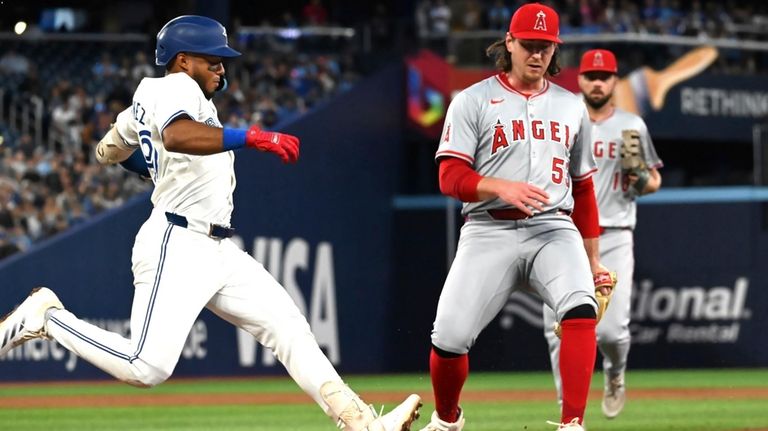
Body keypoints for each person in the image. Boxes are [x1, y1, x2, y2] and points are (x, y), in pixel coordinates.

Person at [0, 15, 421, 431]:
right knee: (146, 367)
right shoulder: (173, 87)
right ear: (183, 60)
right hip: (177, 241)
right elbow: (178, 136)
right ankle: (48, 318)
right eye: (212, 59)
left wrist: (155, 168)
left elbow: (108, 149)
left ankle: (362, 423)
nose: (222, 66)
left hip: (217, 248)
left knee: (288, 327)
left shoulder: (155, 98)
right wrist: (254, 136)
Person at [419, 4, 612, 431]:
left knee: (580, 310)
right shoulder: (471, 100)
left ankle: (573, 424)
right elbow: (450, 176)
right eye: (529, 45)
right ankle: (447, 421)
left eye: (546, 46)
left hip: (553, 227)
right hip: (489, 229)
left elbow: (582, 188)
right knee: (449, 337)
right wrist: (498, 186)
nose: (537, 54)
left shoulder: (571, 106)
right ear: (509, 43)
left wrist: (593, 259)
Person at [542, 48, 663, 420]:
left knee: (611, 332)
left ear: (614, 81)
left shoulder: (632, 125)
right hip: (564, 232)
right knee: (559, 330)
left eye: (605, 76)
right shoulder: (560, 116)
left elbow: (654, 180)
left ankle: (614, 374)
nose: (597, 82)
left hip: (614, 233)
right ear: (579, 79)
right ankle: (569, 413)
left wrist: (640, 178)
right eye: (591, 76)